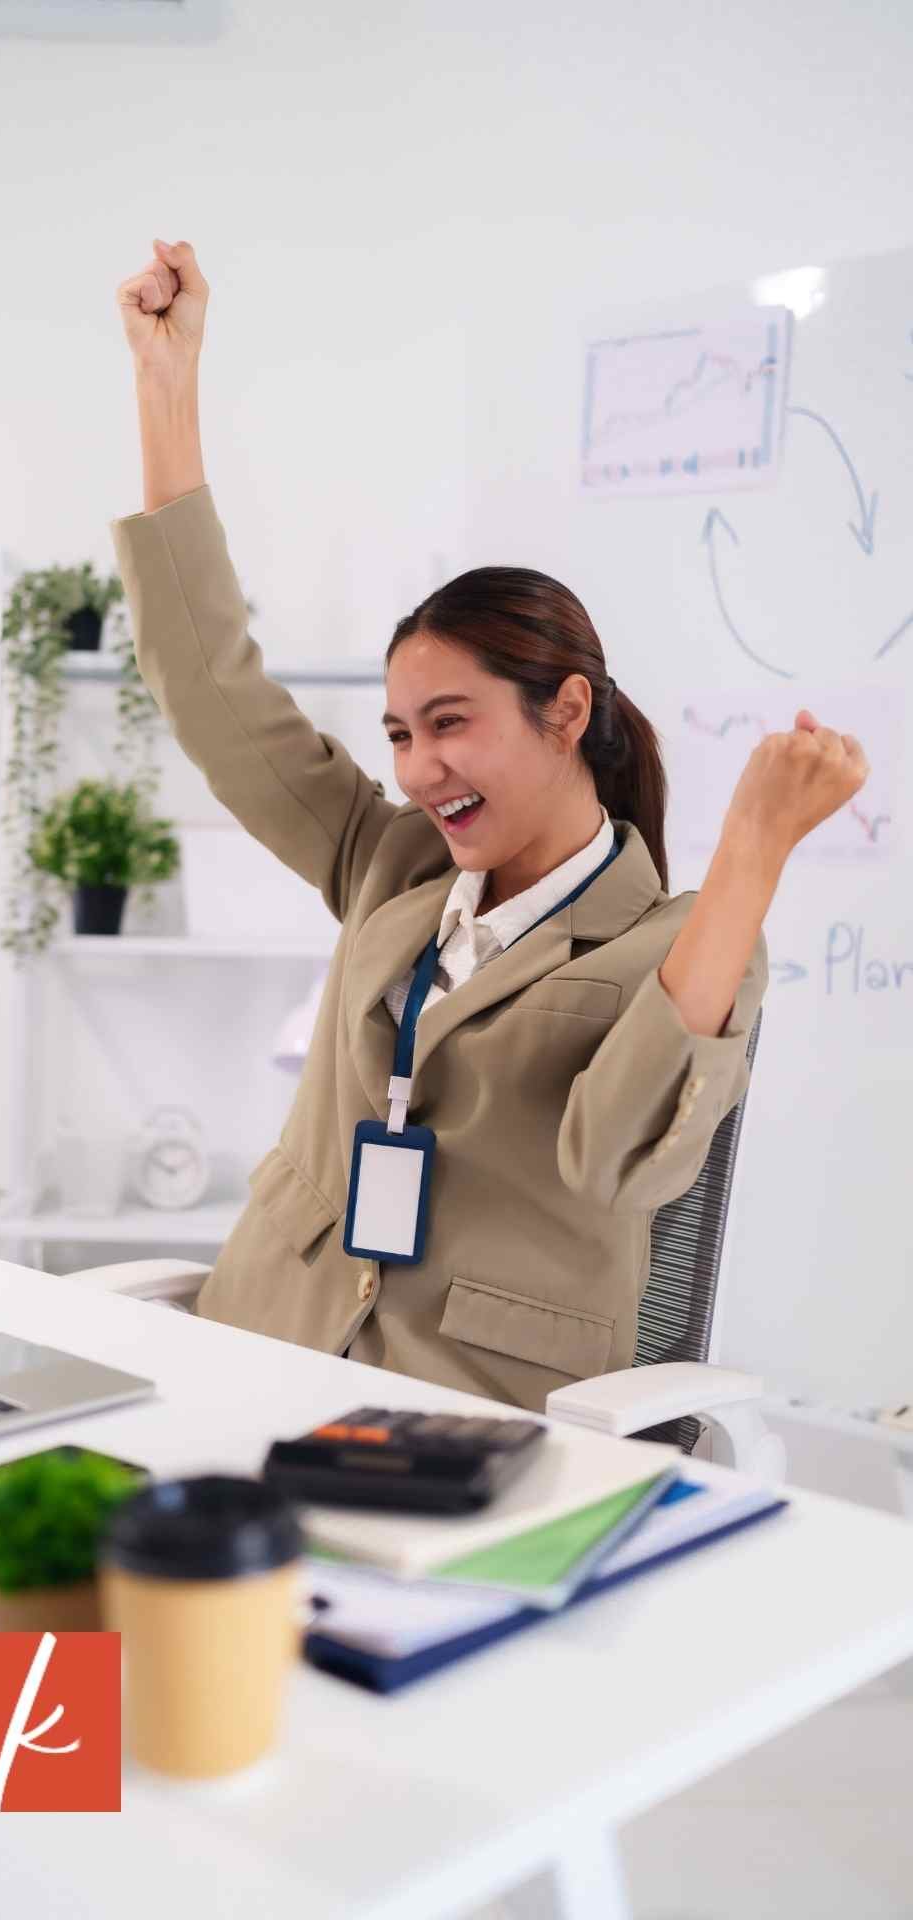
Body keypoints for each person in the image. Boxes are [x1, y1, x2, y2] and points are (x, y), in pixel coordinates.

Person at [110, 238, 869, 1416]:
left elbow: (619, 1159)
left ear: (567, 712)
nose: (417, 769)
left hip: (473, 1417)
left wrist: (756, 853)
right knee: (58, 1594)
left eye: (449, 724)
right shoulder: (393, 863)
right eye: (402, 734)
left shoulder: (676, 943)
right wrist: (168, 386)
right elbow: (217, 696)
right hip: (267, 1347)